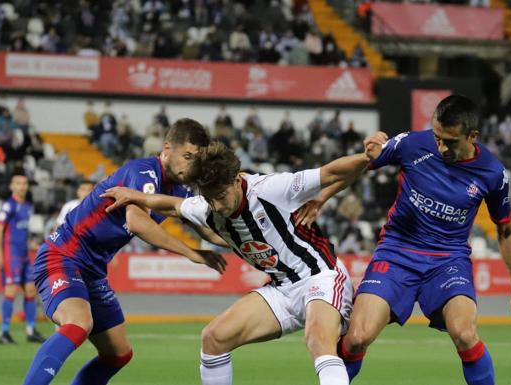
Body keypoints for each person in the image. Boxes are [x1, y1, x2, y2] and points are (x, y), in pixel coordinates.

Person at [101, 138, 387, 385]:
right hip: (280, 288)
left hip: (320, 277)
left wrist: (368, 157)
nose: (218, 206)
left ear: (237, 180)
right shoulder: (207, 206)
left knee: (317, 340)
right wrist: (134, 196)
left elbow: (331, 171)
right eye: (210, 198)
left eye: (222, 196)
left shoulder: (271, 188)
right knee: (214, 338)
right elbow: (174, 205)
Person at [296, 95, 511, 385]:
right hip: (396, 253)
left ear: (473, 136)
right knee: (356, 338)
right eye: (437, 137)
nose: (441, 147)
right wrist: (322, 197)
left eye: (450, 141)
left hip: (448, 261)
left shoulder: (493, 173)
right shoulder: (412, 144)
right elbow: (362, 162)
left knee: (466, 335)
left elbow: (505, 229)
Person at [21, 118, 227, 385]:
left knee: (118, 354)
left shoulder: (178, 189)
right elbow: (137, 221)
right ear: (167, 147)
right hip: (63, 256)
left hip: (93, 271)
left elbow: (208, 227)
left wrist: (248, 246)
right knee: (78, 324)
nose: (190, 165)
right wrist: (191, 252)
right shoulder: (145, 172)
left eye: (195, 159)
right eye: (187, 156)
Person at [0, 173, 46, 344]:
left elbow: (19, 230)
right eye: (18, 183)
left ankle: (31, 330)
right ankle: (4, 332)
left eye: (24, 183)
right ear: (12, 186)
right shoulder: (9, 206)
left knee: (31, 290)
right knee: (10, 290)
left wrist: (31, 245)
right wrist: (0, 254)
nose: (22, 186)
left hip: (23, 254)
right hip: (11, 254)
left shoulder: (27, 206)